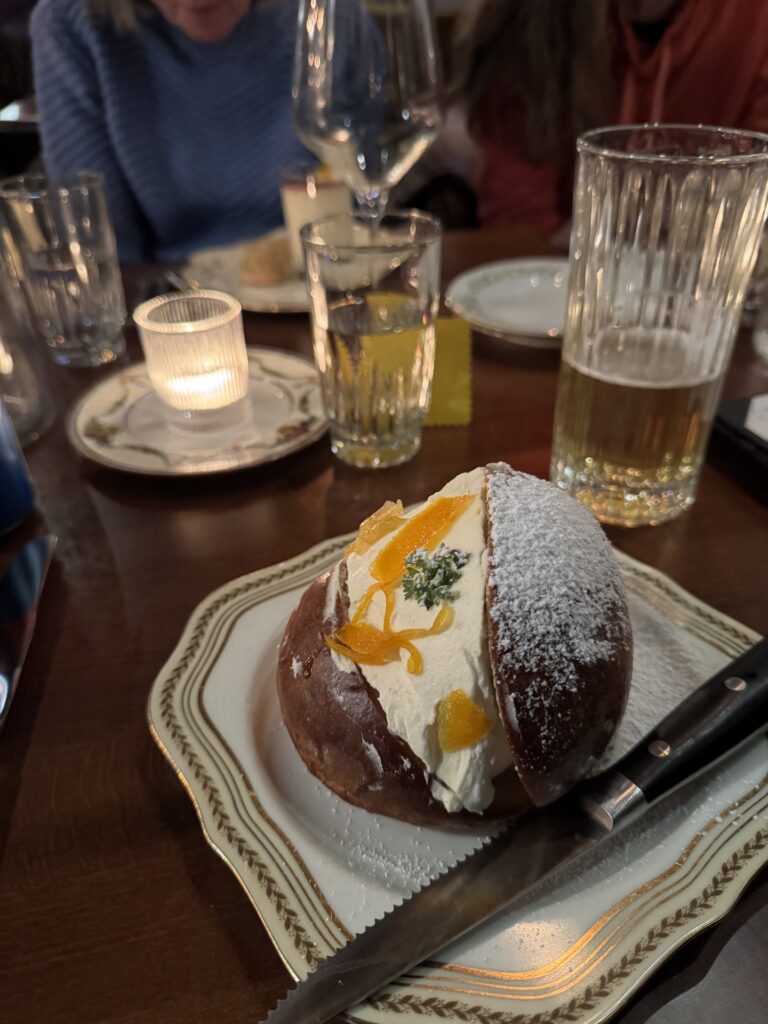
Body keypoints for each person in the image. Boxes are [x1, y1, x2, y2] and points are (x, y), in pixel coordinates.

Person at [451, 0, 768, 237]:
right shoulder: (527, 21)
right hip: (565, 283)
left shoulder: (754, 21)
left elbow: (754, 201)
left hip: (711, 288)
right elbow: (520, 221)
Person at [30, 0, 311, 263]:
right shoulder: (71, 22)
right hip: (163, 299)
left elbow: (353, 215)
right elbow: (102, 255)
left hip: (323, 286)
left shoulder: (326, 13)